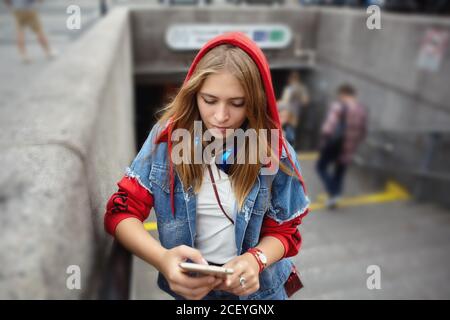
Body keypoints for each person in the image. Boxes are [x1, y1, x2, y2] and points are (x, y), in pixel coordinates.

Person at [103, 32, 310, 300]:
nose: (221, 116)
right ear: (193, 94)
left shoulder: (274, 150)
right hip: (191, 293)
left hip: (260, 292)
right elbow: (120, 212)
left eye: (238, 104)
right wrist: (163, 260)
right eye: (209, 101)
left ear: (256, 102)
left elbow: (285, 230)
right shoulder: (165, 140)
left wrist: (256, 259)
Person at [316, 84, 368, 209]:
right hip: (349, 146)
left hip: (335, 144)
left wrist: (322, 142)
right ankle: (336, 194)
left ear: (343, 93)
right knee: (339, 171)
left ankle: (333, 192)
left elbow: (329, 128)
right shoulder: (361, 109)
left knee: (321, 167)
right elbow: (363, 131)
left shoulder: (339, 106)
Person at [277, 71, 309, 149]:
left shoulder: (290, 89)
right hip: (296, 114)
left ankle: (288, 149)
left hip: (287, 113)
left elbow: (285, 101)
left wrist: (276, 104)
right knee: (291, 131)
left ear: (291, 79)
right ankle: (290, 148)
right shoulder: (302, 88)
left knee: (287, 131)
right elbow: (305, 101)